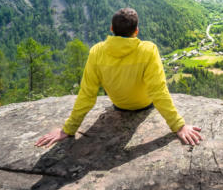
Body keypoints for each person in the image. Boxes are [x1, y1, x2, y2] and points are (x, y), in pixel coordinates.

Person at [35, 8, 203, 147]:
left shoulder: (97, 52)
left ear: (111, 29)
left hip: (119, 106)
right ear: (136, 31)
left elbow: (87, 95)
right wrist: (178, 126)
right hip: (144, 105)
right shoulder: (148, 50)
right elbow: (158, 91)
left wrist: (68, 130)